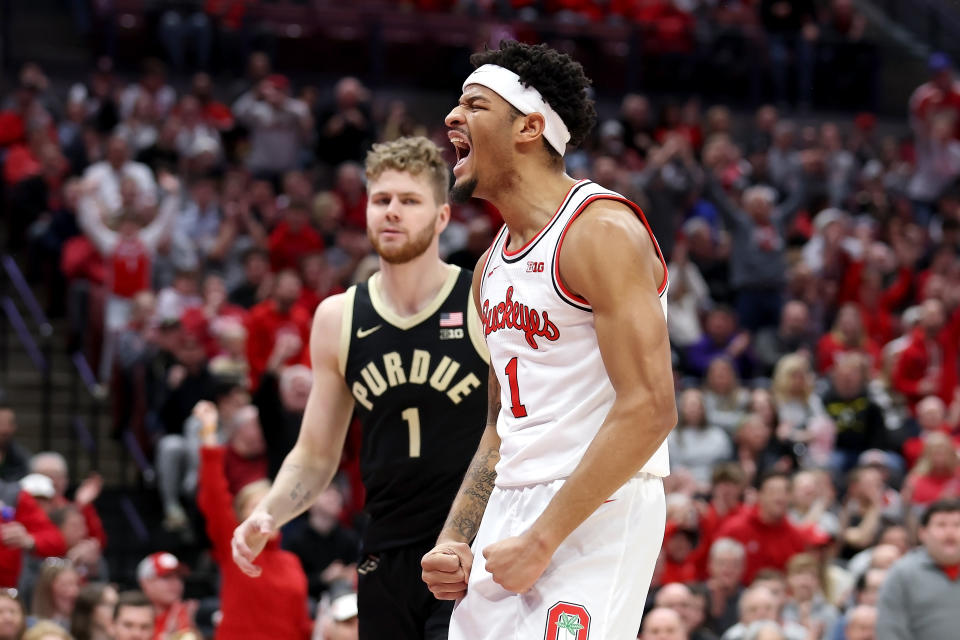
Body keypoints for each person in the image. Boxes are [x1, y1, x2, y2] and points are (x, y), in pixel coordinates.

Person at [420, 41, 676, 640]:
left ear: (530, 127)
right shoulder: (490, 269)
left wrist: (544, 538)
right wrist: (458, 535)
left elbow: (650, 408)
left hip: (597, 505)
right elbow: (498, 426)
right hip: (512, 501)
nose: (452, 118)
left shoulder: (600, 232)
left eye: (474, 105)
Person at [231, 135, 489, 640]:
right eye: (381, 200)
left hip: (468, 548)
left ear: (441, 217)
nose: (392, 212)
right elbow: (315, 453)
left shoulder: (480, 297)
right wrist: (269, 511)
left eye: (409, 201)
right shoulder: (338, 316)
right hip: (384, 550)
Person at [876, 498, 960, 639]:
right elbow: (889, 630)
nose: (950, 533)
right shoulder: (902, 573)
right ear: (923, 533)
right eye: (941, 525)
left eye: (957, 525)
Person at [136, 552, 192, 639]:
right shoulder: (130, 615)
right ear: (145, 582)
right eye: (166, 577)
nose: (176, 583)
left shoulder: (189, 614)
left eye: (179, 577)